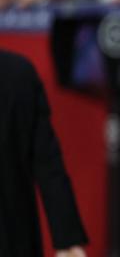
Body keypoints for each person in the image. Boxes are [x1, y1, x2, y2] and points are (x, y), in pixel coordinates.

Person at [0, 50, 88, 257]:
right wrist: (68, 239)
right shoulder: (18, 72)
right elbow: (48, 164)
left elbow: (47, 161)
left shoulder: (18, 73)